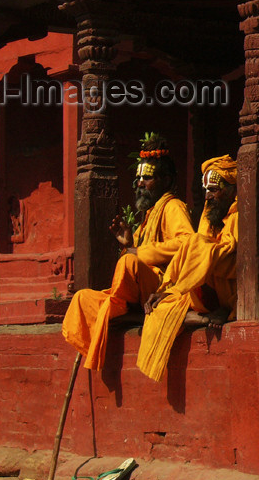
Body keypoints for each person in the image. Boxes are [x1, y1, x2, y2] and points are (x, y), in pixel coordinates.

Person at [61, 133, 194, 371]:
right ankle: (123, 312)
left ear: (166, 181)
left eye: (147, 178)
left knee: (128, 261)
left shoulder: (173, 206)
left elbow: (187, 243)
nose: (140, 183)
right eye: (138, 178)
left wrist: (138, 253)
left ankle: (122, 311)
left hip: (164, 289)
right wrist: (129, 244)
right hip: (141, 290)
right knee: (82, 299)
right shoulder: (149, 215)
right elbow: (137, 256)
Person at [136, 154, 239, 382]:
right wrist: (168, 289)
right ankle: (203, 319)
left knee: (196, 244)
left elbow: (208, 252)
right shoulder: (208, 214)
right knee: (158, 311)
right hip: (198, 287)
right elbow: (190, 255)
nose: (208, 196)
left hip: (231, 289)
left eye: (214, 189)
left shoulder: (240, 216)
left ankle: (221, 311)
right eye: (206, 190)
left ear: (233, 191)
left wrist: (173, 287)